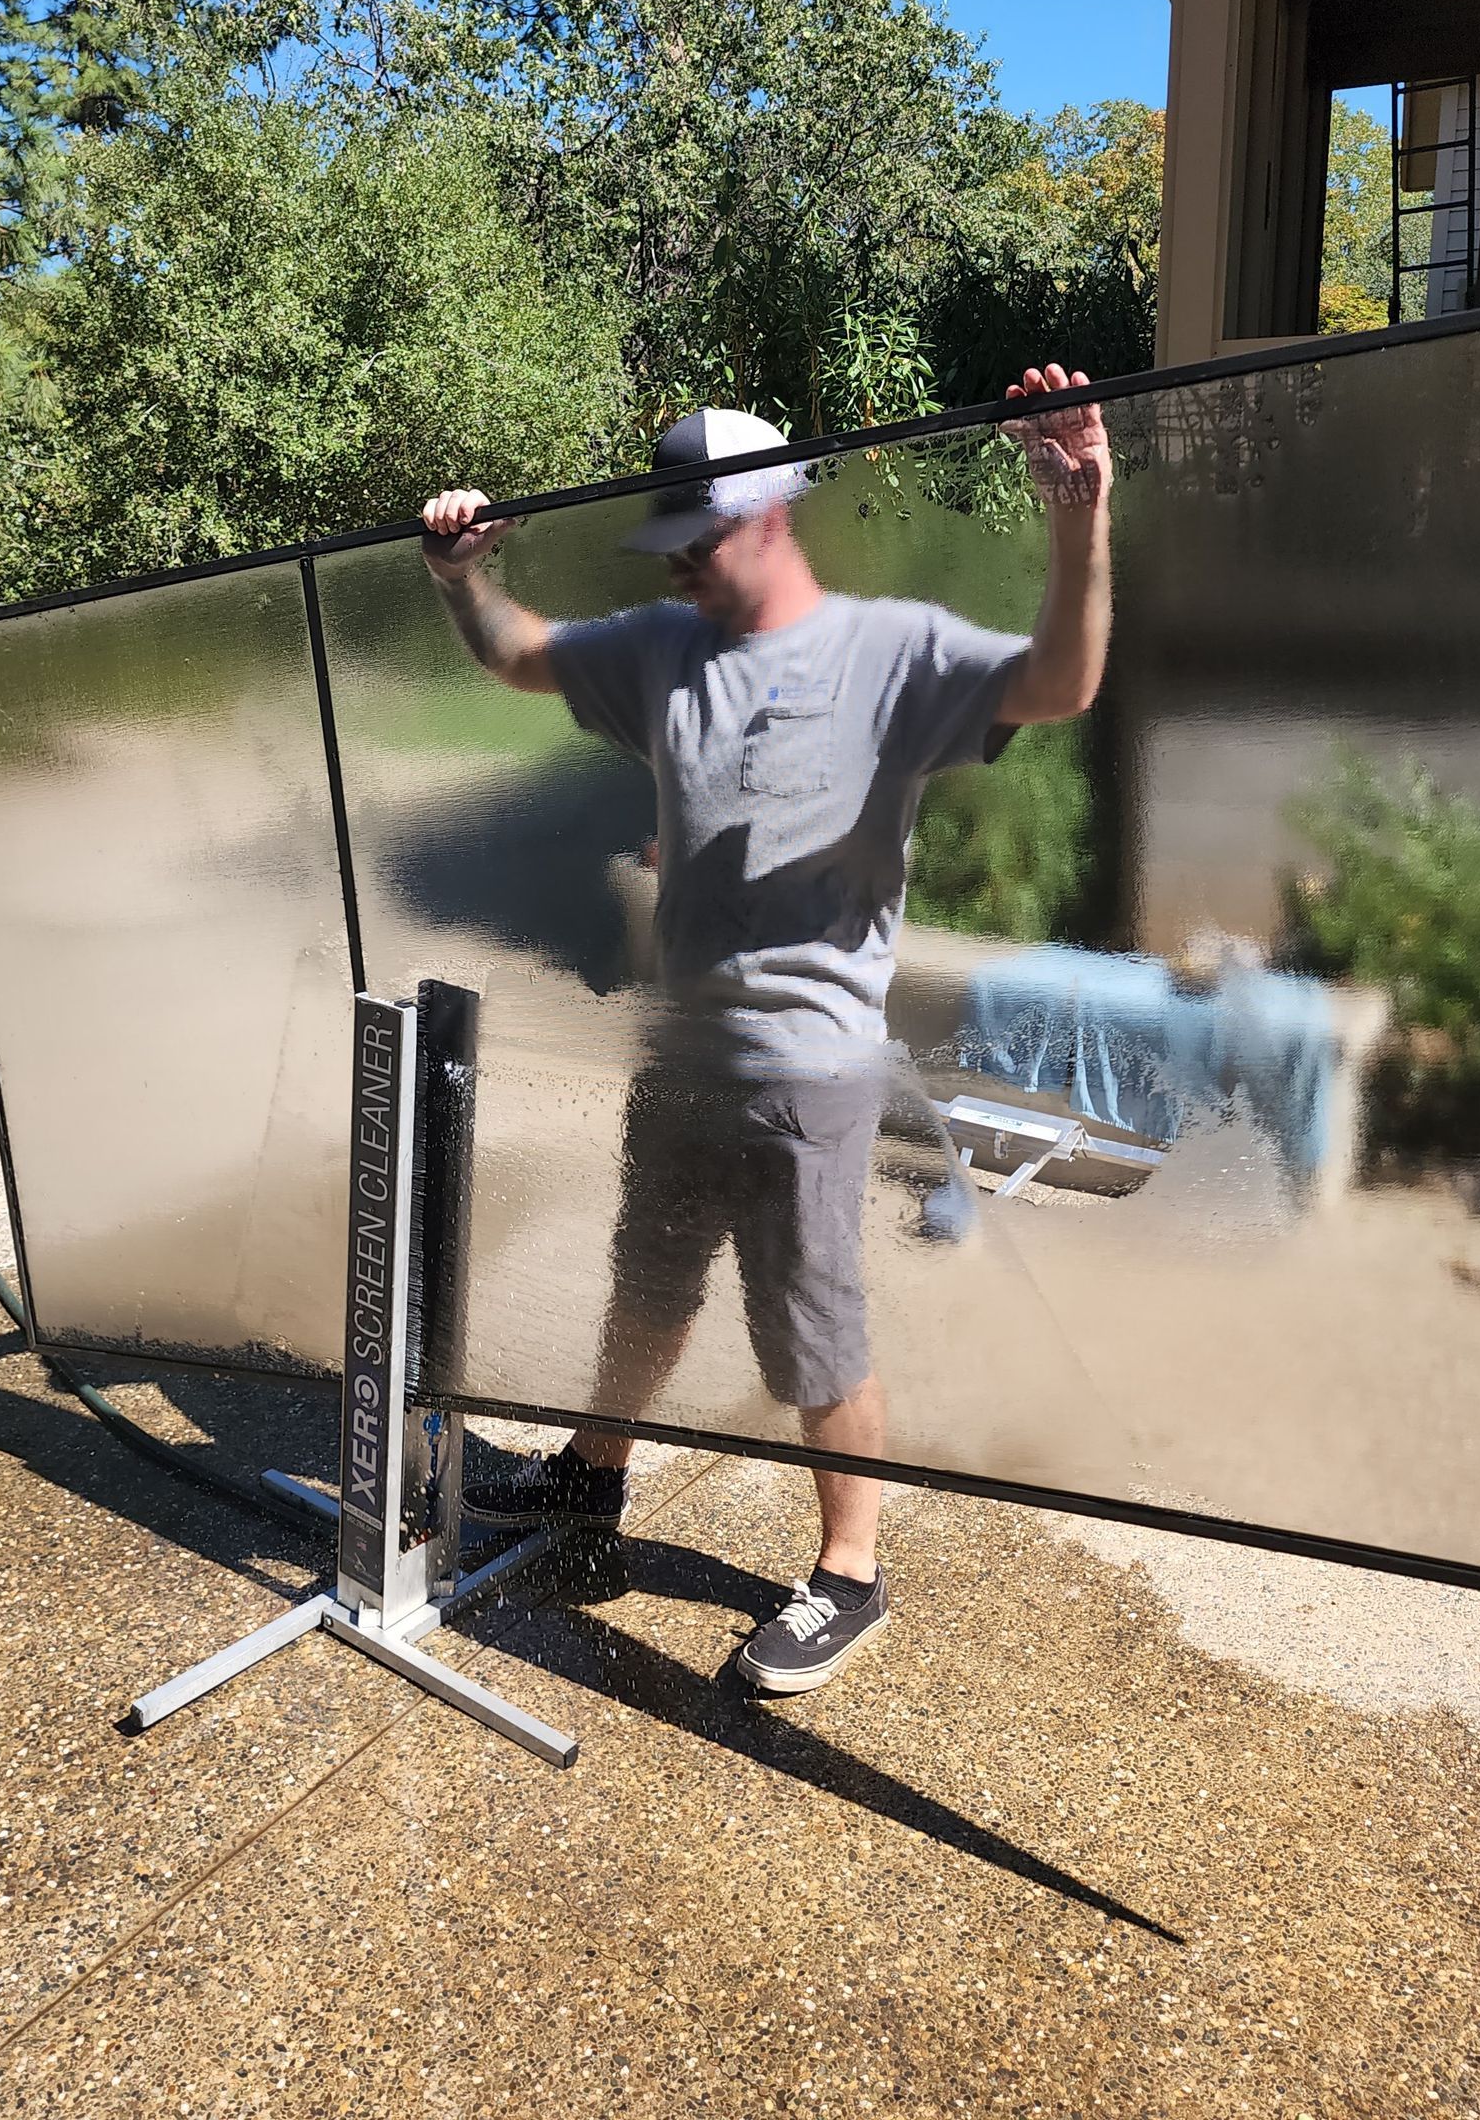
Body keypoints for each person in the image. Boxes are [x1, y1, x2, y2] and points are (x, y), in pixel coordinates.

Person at [420, 367, 1111, 1692]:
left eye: (701, 540)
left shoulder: (888, 653)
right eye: (670, 544)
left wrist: (1079, 511)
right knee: (647, 1287)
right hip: (684, 1053)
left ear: (773, 516)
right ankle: (591, 1475)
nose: (679, 565)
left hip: (809, 1066)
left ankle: (851, 1571)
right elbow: (519, 653)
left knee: (811, 1329)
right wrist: (463, 577)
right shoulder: (660, 651)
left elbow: (1062, 683)